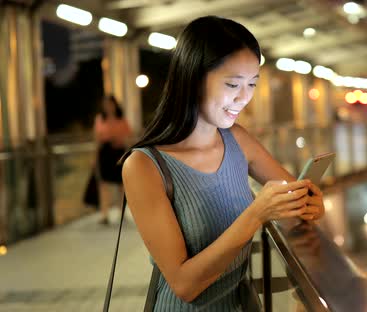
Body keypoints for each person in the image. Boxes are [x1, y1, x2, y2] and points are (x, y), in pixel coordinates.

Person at [121, 16, 325, 310]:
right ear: (192, 79)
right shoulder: (144, 166)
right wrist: (256, 214)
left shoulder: (237, 139)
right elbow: (184, 284)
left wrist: (311, 206)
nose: (244, 98)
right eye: (232, 84)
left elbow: (291, 202)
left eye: (252, 84)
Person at [93, 95, 132, 225]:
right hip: (105, 152)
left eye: (110, 104)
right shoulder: (99, 119)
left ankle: (122, 212)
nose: (108, 107)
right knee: (103, 183)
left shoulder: (122, 120)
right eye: (106, 104)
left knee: (121, 184)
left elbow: (128, 138)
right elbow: (97, 139)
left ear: (115, 105)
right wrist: (95, 157)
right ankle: (105, 214)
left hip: (118, 152)